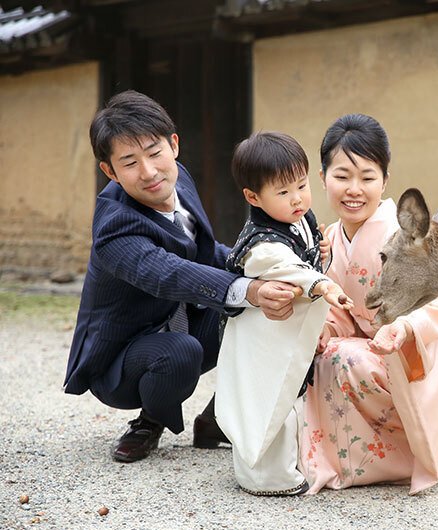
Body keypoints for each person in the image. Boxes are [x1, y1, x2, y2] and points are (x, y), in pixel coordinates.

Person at [64, 90, 299, 463]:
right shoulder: (114, 226)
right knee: (182, 352)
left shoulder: (177, 179)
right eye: (129, 162)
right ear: (109, 171)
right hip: (122, 358)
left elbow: (207, 254)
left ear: (173, 145)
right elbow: (169, 273)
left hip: (178, 320)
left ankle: (219, 419)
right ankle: (149, 422)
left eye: (155, 152)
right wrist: (250, 289)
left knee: (265, 315)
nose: (149, 171)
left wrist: (275, 269)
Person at [300, 113, 438, 494]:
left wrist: (405, 327)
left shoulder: (402, 235)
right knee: (325, 351)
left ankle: (421, 453)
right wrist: (322, 330)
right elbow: (343, 312)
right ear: (323, 177)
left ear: (385, 181)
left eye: (368, 177)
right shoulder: (330, 237)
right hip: (389, 356)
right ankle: (366, 459)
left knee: (346, 357)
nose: (354, 189)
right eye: (342, 176)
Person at [215, 131, 353, 496]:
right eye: (283, 192)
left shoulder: (300, 217)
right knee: (268, 398)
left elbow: (307, 260)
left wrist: (321, 253)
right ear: (253, 197)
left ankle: (294, 463)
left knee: (293, 396)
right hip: (262, 335)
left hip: (288, 331)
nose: (297, 199)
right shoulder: (260, 242)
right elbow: (286, 267)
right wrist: (324, 285)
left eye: (302, 185)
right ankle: (265, 478)